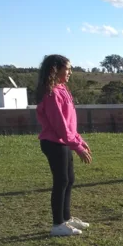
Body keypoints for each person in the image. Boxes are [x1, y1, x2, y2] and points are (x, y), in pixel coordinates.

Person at [35, 54, 92, 236]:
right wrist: (76, 146)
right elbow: (59, 125)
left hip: (63, 141)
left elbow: (69, 122)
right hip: (54, 142)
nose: (70, 72)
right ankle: (57, 224)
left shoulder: (62, 89)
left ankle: (66, 219)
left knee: (69, 179)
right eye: (67, 68)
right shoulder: (50, 93)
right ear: (55, 69)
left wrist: (79, 139)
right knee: (61, 181)